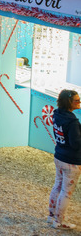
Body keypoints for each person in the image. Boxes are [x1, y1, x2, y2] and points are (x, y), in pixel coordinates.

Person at [48, 90, 81, 229]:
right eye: (77, 100)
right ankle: (58, 222)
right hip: (71, 162)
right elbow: (76, 144)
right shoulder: (72, 122)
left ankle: (51, 217)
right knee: (66, 192)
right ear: (69, 102)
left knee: (57, 186)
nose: (79, 102)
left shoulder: (57, 114)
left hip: (59, 156)